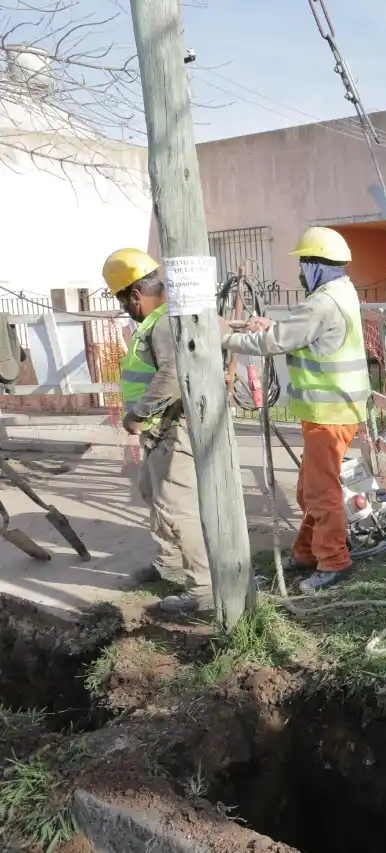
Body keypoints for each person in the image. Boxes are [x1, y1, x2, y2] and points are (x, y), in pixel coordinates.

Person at [221, 227, 372, 593]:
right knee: (310, 490)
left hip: (328, 412)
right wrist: (272, 325)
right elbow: (304, 334)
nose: (301, 272)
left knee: (321, 493)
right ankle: (307, 552)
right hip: (336, 410)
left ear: (315, 264)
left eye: (304, 264)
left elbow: (278, 341)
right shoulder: (341, 292)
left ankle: (334, 562)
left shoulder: (321, 302)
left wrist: (224, 336)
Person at [104, 248, 213, 614]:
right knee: (151, 491)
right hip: (158, 430)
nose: (123, 308)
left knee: (176, 509)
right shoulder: (155, 321)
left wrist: (138, 413)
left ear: (135, 295)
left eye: (122, 299)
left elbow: (171, 377)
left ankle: (203, 589)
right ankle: (167, 560)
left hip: (170, 427)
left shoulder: (164, 322)